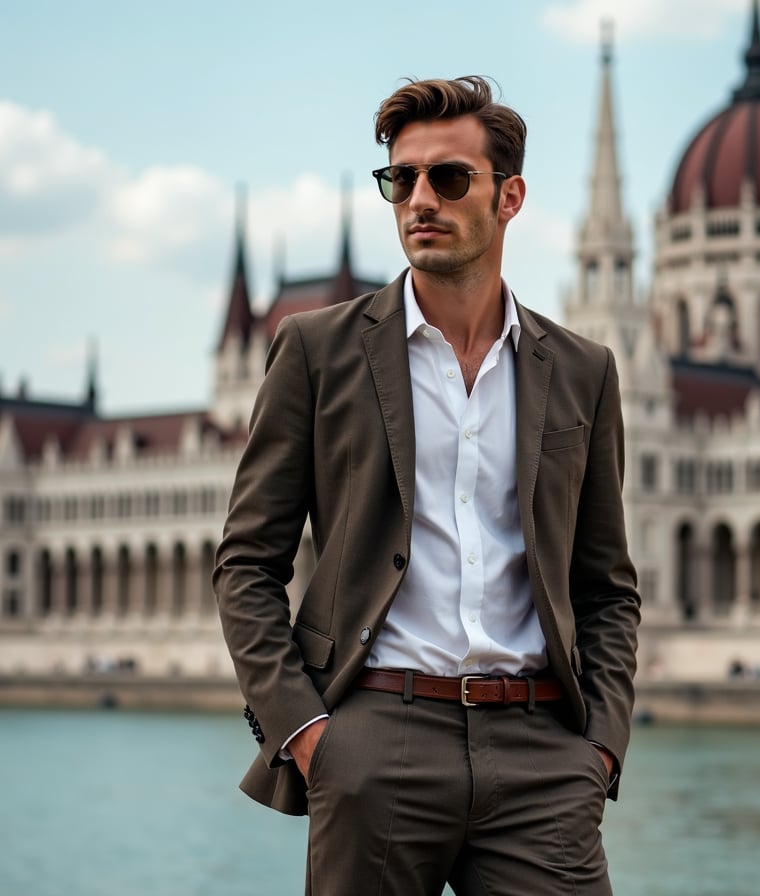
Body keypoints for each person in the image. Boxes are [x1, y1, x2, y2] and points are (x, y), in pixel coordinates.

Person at [214, 75, 640, 896]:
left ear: (509, 196)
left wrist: (601, 745)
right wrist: (308, 733)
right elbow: (246, 564)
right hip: (376, 740)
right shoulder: (318, 351)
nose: (419, 199)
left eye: (449, 178)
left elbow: (608, 585)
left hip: (543, 753)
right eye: (399, 179)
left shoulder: (584, 371)